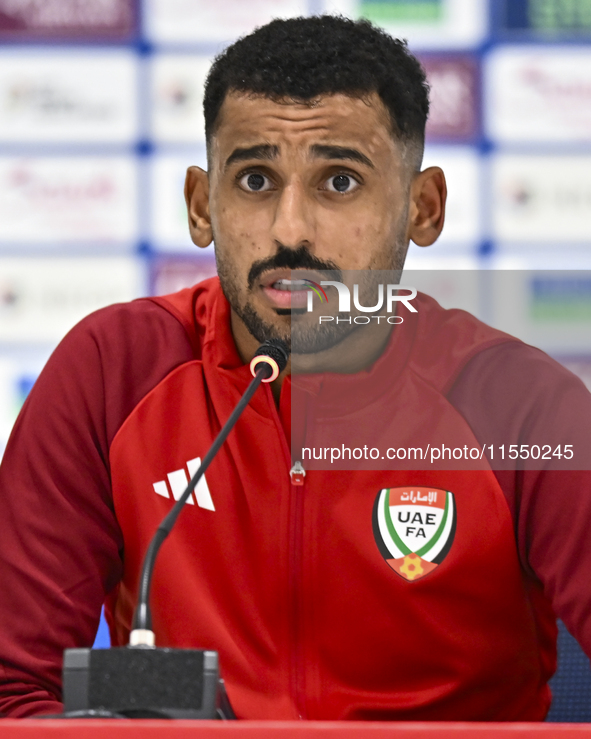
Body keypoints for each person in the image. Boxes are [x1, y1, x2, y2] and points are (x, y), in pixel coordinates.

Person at [1, 15, 591, 721]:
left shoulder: (515, 404)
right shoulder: (114, 372)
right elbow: (13, 687)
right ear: (201, 206)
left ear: (421, 207)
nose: (289, 231)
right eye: (254, 179)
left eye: (338, 181)